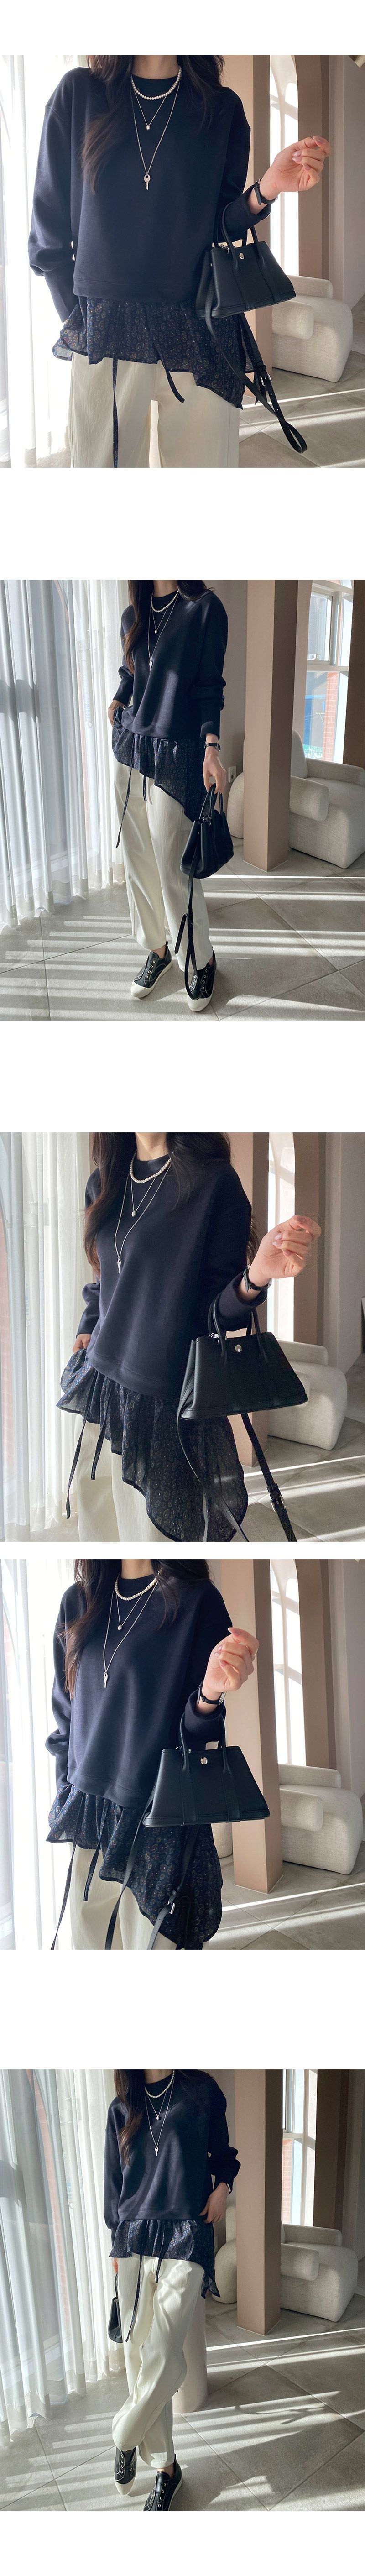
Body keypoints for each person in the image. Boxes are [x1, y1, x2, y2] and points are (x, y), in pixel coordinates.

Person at [28, 53, 329, 469]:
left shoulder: (221, 108)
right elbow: (48, 226)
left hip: (201, 325)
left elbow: (219, 223)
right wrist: (80, 317)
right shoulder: (80, 93)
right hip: (108, 327)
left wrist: (266, 190)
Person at [58, 1129, 320, 1542]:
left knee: (159, 1547)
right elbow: (105, 1274)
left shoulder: (214, 1183)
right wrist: (88, 1325)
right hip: (101, 1388)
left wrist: (256, 1277)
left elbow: (215, 1314)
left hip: (164, 1403)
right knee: (99, 1537)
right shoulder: (104, 1182)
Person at [47, 1556, 258, 1950]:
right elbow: (66, 1716)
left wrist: (211, 1693)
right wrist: (67, 1793)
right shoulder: (77, 1602)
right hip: (90, 1817)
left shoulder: (198, 1601)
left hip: (159, 1823)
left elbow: (196, 1739)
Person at [104, 2068, 240, 2508]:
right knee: (136, 2352)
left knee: (162, 2352)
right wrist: (115, 2246)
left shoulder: (201, 2091)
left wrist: (223, 2187)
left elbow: (223, 2153)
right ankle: (167, 2470)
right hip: (133, 2239)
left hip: (187, 2231)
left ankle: (125, 2434)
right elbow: (114, 2185)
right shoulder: (122, 2107)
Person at [108, 578, 228, 1011]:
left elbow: (209, 686)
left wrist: (212, 748)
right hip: (130, 748)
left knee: (173, 864)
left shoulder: (206, 609)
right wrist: (119, 699)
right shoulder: (134, 615)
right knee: (138, 858)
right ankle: (157, 949)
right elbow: (131, 673)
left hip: (177, 753)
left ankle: (200, 957)